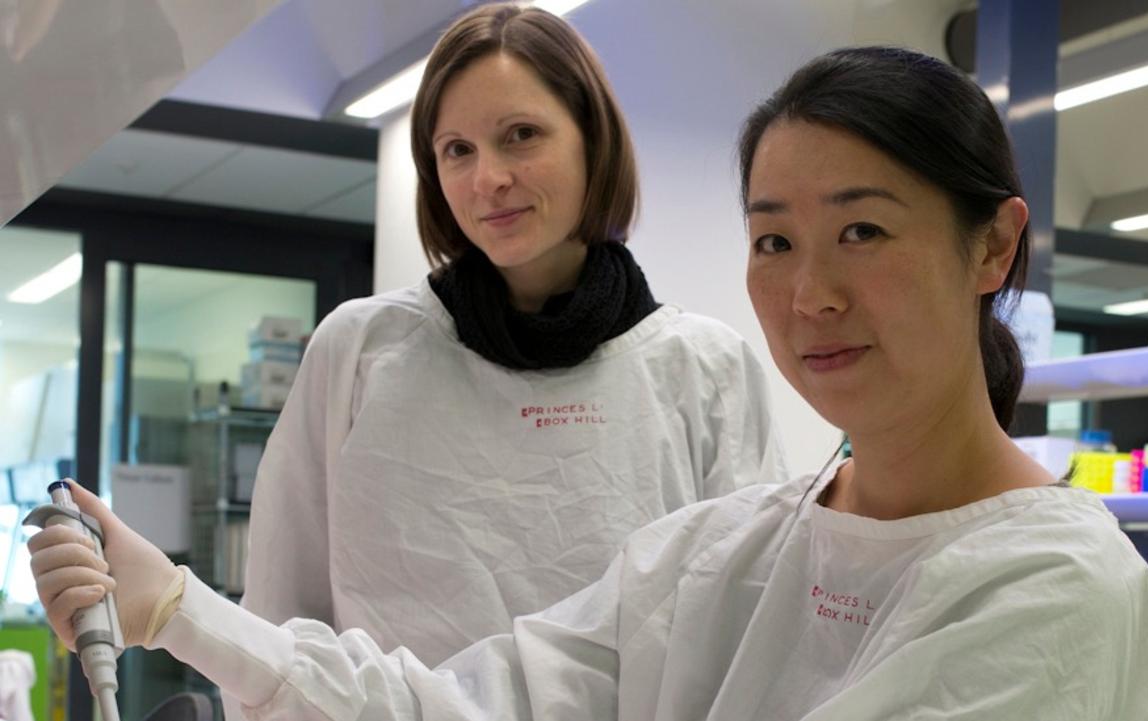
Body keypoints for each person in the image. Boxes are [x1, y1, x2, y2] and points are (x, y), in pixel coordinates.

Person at [30, 46, 1148, 720]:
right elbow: (473, 700)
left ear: (991, 248)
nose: (810, 293)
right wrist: (181, 610)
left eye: (862, 231)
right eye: (772, 241)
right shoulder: (725, 552)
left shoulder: (1046, 585)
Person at [230, 0, 786, 686]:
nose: (487, 178)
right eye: (457, 150)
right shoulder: (362, 351)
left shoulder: (703, 368)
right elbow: (278, 618)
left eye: (520, 134)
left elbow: (751, 630)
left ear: (593, 139)